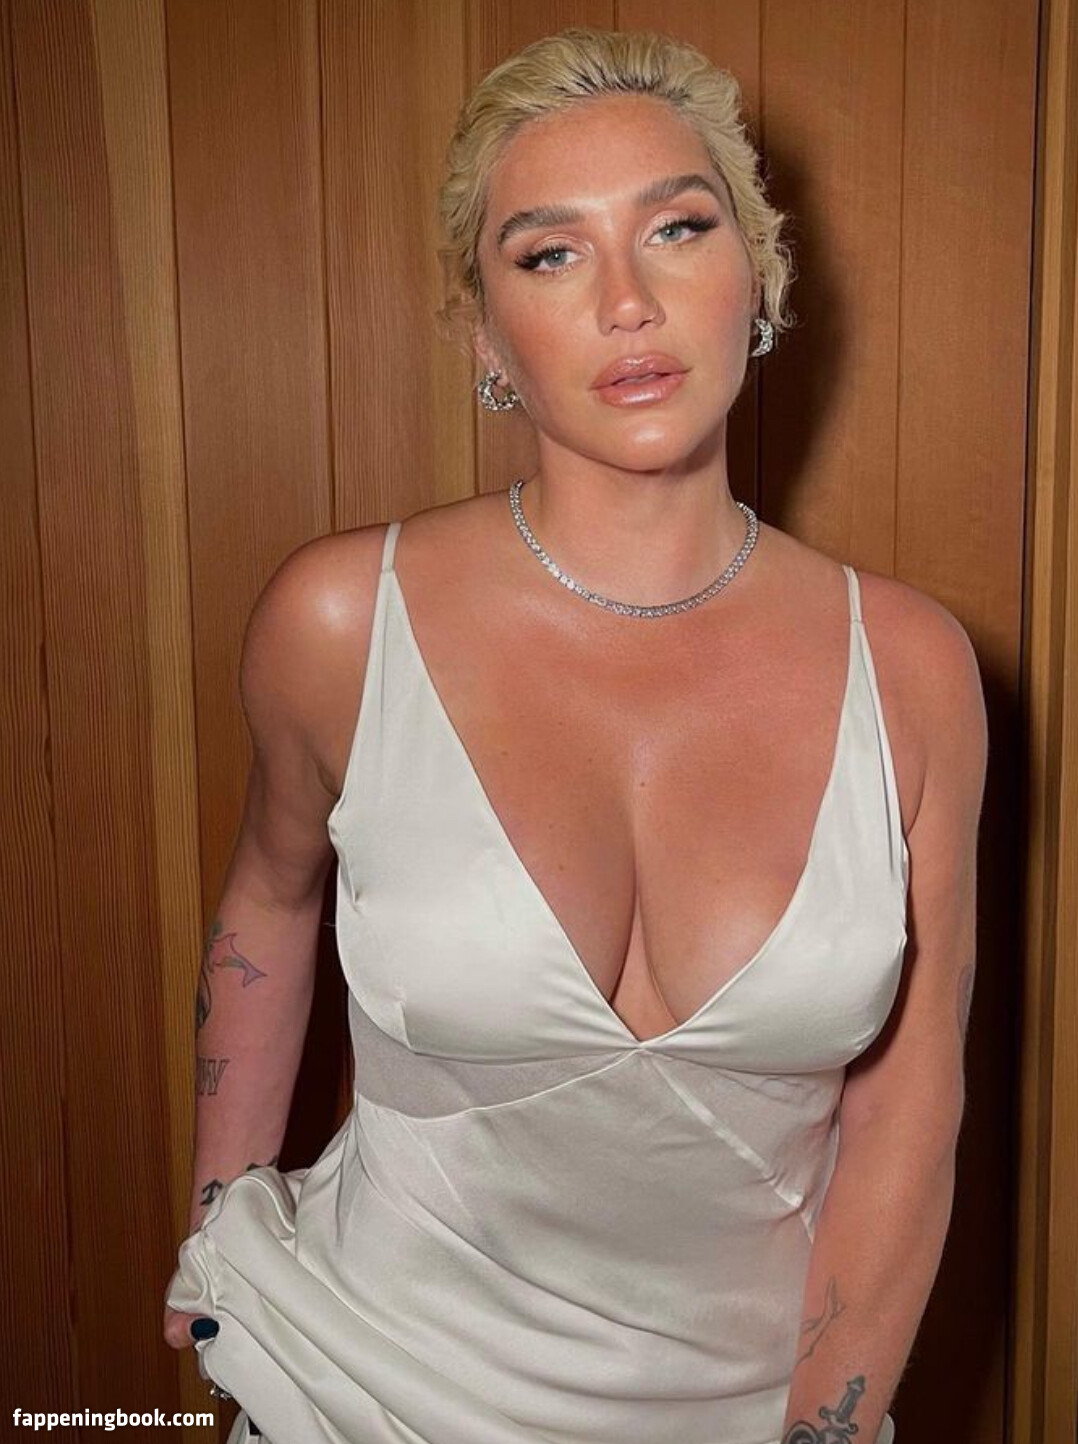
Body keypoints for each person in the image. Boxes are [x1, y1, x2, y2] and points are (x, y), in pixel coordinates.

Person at [163, 25, 986, 1444]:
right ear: (486, 334)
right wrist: (218, 1241)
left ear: (758, 278)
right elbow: (271, 898)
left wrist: (825, 1432)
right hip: (353, 1391)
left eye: (677, 228)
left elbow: (909, 1112)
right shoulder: (341, 622)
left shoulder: (910, 669)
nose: (626, 301)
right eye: (550, 254)